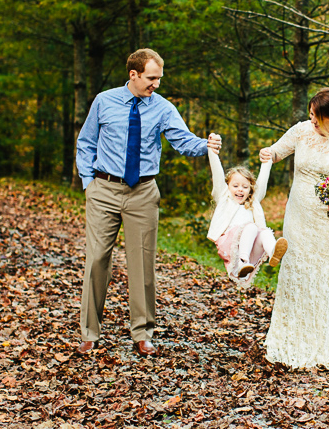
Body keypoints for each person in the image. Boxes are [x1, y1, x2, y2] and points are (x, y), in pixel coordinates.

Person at [75, 48, 221, 357]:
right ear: (134, 74)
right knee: (97, 259)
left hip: (143, 193)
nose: (156, 84)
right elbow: (86, 142)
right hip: (104, 189)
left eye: (159, 78)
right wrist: (89, 183)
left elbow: (183, 141)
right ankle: (89, 332)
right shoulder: (104, 101)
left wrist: (206, 145)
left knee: (142, 264)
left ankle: (142, 333)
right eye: (152, 78)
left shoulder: (163, 108)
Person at [259, 87, 329, 368]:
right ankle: (293, 337)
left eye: (316, 116)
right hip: (300, 217)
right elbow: (276, 153)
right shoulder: (301, 131)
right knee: (299, 270)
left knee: (328, 275)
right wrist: (267, 153)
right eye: (309, 115)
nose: (312, 121)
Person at [205, 147, 288, 286]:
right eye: (235, 185)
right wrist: (212, 151)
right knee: (251, 227)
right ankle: (242, 261)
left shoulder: (253, 202)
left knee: (265, 232)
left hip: (248, 246)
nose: (240, 189)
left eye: (245, 187)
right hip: (229, 244)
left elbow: (262, 183)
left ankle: (273, 251)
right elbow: (217, 174)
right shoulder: (224, 198)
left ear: (250, 190)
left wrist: (267, 161)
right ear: (228, 187)